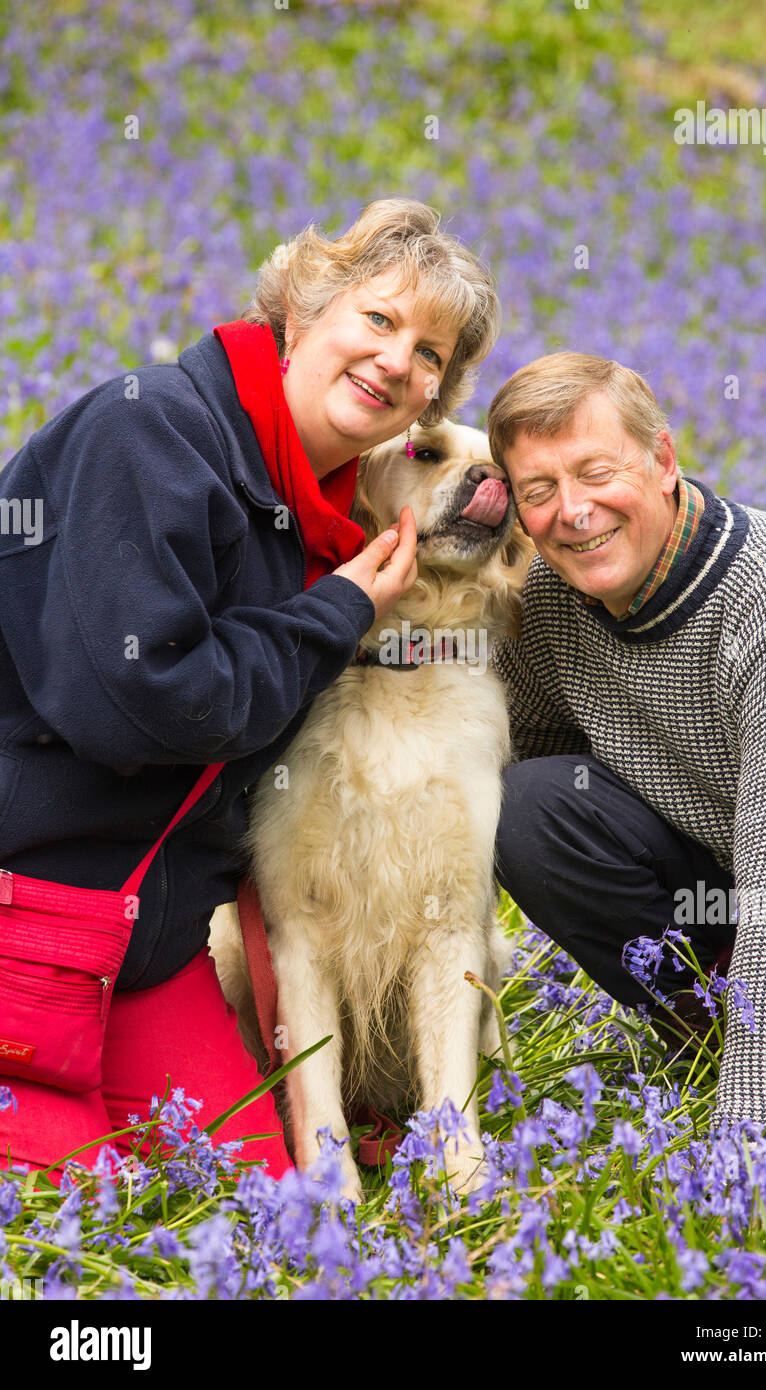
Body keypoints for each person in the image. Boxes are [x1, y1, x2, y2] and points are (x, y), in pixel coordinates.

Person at [0, 198, 500, 1178]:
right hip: (32, 902)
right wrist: (338, 610)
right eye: (378, 320)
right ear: (302, 314)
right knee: (77, 1193)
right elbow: (145, 702)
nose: (399, 361)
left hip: (151, 943)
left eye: (431, 355)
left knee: (257, 1193)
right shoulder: (153, 437)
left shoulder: (316, 521)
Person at [487, 352, 766, 1129]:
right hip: (734, 881)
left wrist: (749, 1155)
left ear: (663, 460)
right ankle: (714, 1039)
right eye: (539, 491)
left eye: (597, 472)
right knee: (525, 805)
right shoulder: (553, 602)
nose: (574, 511)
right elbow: (517, 752)